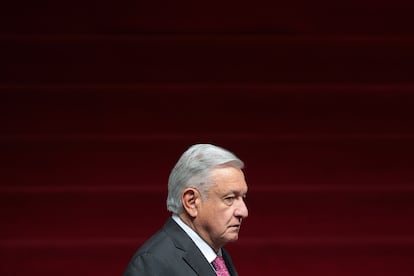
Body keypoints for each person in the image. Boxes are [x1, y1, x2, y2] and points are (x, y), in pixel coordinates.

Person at [124, 143, 249, 276]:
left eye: (243, 197)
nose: (243, 211)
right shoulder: (153, 263)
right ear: (191, 202)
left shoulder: (217, 255)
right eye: (229, 198)